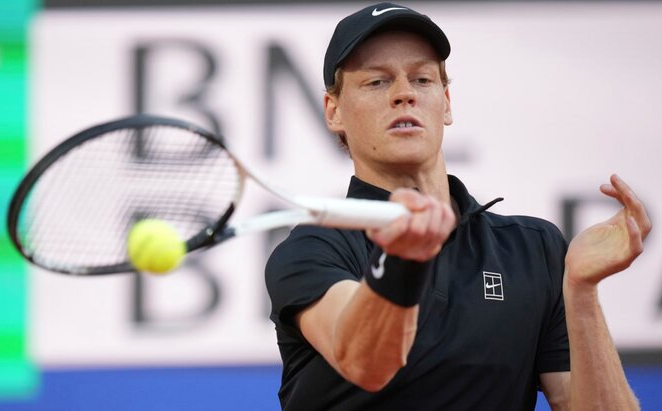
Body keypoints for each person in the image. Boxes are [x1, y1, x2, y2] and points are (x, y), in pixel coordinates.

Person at [265, 2, 651, 410]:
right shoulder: (311, 250)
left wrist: (581, 292)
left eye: (422, 79)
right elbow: (365, 362)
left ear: (446, 102)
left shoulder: (534, 248)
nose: (405, 94)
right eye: (377, 82)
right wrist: (403, 261)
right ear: (334, 111)